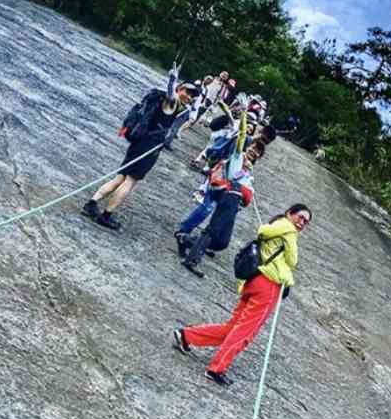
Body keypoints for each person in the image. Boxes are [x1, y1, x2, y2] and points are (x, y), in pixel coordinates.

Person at [173, 204, 312, 386]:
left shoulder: (275, 227)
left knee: (232, 328)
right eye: (300, 217)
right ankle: (216, 369)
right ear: (289, 214)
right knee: (245, 331)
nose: (302, 223)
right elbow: (291, 261)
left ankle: (187, 336)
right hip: (268, 286)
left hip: (253, 281)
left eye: (306, 221)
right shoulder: (288, 231)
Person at [82, 65, 198, 230]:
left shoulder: (176, 106)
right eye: (187, 92)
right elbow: (172, 94)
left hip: (140, 142)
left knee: (120, 178)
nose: (189, 96)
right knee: (129, 182)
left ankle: (91, 203)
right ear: (180, 89)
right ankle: (106, 215)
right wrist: (173, 80)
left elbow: (185, 110)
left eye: (192, 95)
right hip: (148, 147)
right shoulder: (170, 101)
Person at [174, 105, 263, 276]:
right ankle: (192, 257)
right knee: (211, 228)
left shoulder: (249, 172)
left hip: (233, 203)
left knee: (222, 242)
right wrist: (244, 117)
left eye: (256, 155)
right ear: (246, 148)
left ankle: (186, 239)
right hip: (224, 195)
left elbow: (248, 193)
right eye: (251, 151)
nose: (252, 155)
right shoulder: (238, 156)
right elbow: (242, 135)